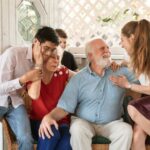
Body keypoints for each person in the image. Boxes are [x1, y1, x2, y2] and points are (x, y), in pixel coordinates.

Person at [38, 38, 140, 150]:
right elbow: (64, 107)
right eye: (102, 49)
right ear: (90, 56)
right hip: (84, 122)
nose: (107, 51)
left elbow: (140, 89)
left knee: (125, 130)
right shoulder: (78, 78)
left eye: (107, 48)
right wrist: (49, 117)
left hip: (112, 123)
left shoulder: (121, 72)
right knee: (77, 129)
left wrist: (127, 69)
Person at [0, 26, 59, 150]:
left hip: (16, 104)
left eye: (52, 50)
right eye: (46, 48)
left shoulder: (43, 60)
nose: (48, 53)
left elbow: (62, 69)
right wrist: (23, 80)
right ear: (36, 42)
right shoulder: (13, 53)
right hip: (1, 99)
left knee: (26, 139)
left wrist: (38, 63)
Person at [110, 19, 150, 150]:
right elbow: (128, 63)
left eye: (122, 39)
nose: (121, 44)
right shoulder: (137, 57)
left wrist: (128, 85)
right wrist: (119, 64)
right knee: (137, 135)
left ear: (132, 38)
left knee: (133, 108)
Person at [28, 49, 75, 150]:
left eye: (58, 58)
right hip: (38, 121)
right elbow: (33, 95)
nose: (56, 61)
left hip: (62, 122)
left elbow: (83, 78)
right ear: (44, 58)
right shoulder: (33, 74)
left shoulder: (63, 72)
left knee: (68, 143)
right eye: (53, 57)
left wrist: (107, 66)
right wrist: (39, 66)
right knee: (51, 133)